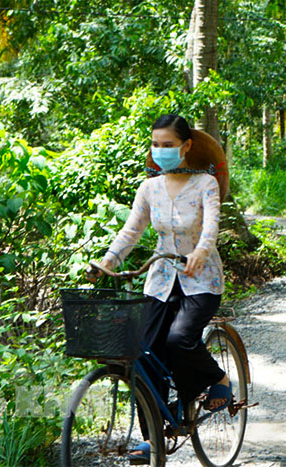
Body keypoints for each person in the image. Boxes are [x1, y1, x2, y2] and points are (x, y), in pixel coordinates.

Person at [93, 114, 231, 464]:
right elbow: (131, 231)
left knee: (179, 339)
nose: (160, 151)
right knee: (143, 350)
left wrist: (200, 251)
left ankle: (220, 380)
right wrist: (108, 261)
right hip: (159, 278)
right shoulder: (148, 187)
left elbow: (212, 226)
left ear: (186, 147)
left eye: (168, 145)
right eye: (155, 145)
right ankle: (151, 435)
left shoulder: (205, 184)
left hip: (201, 279)